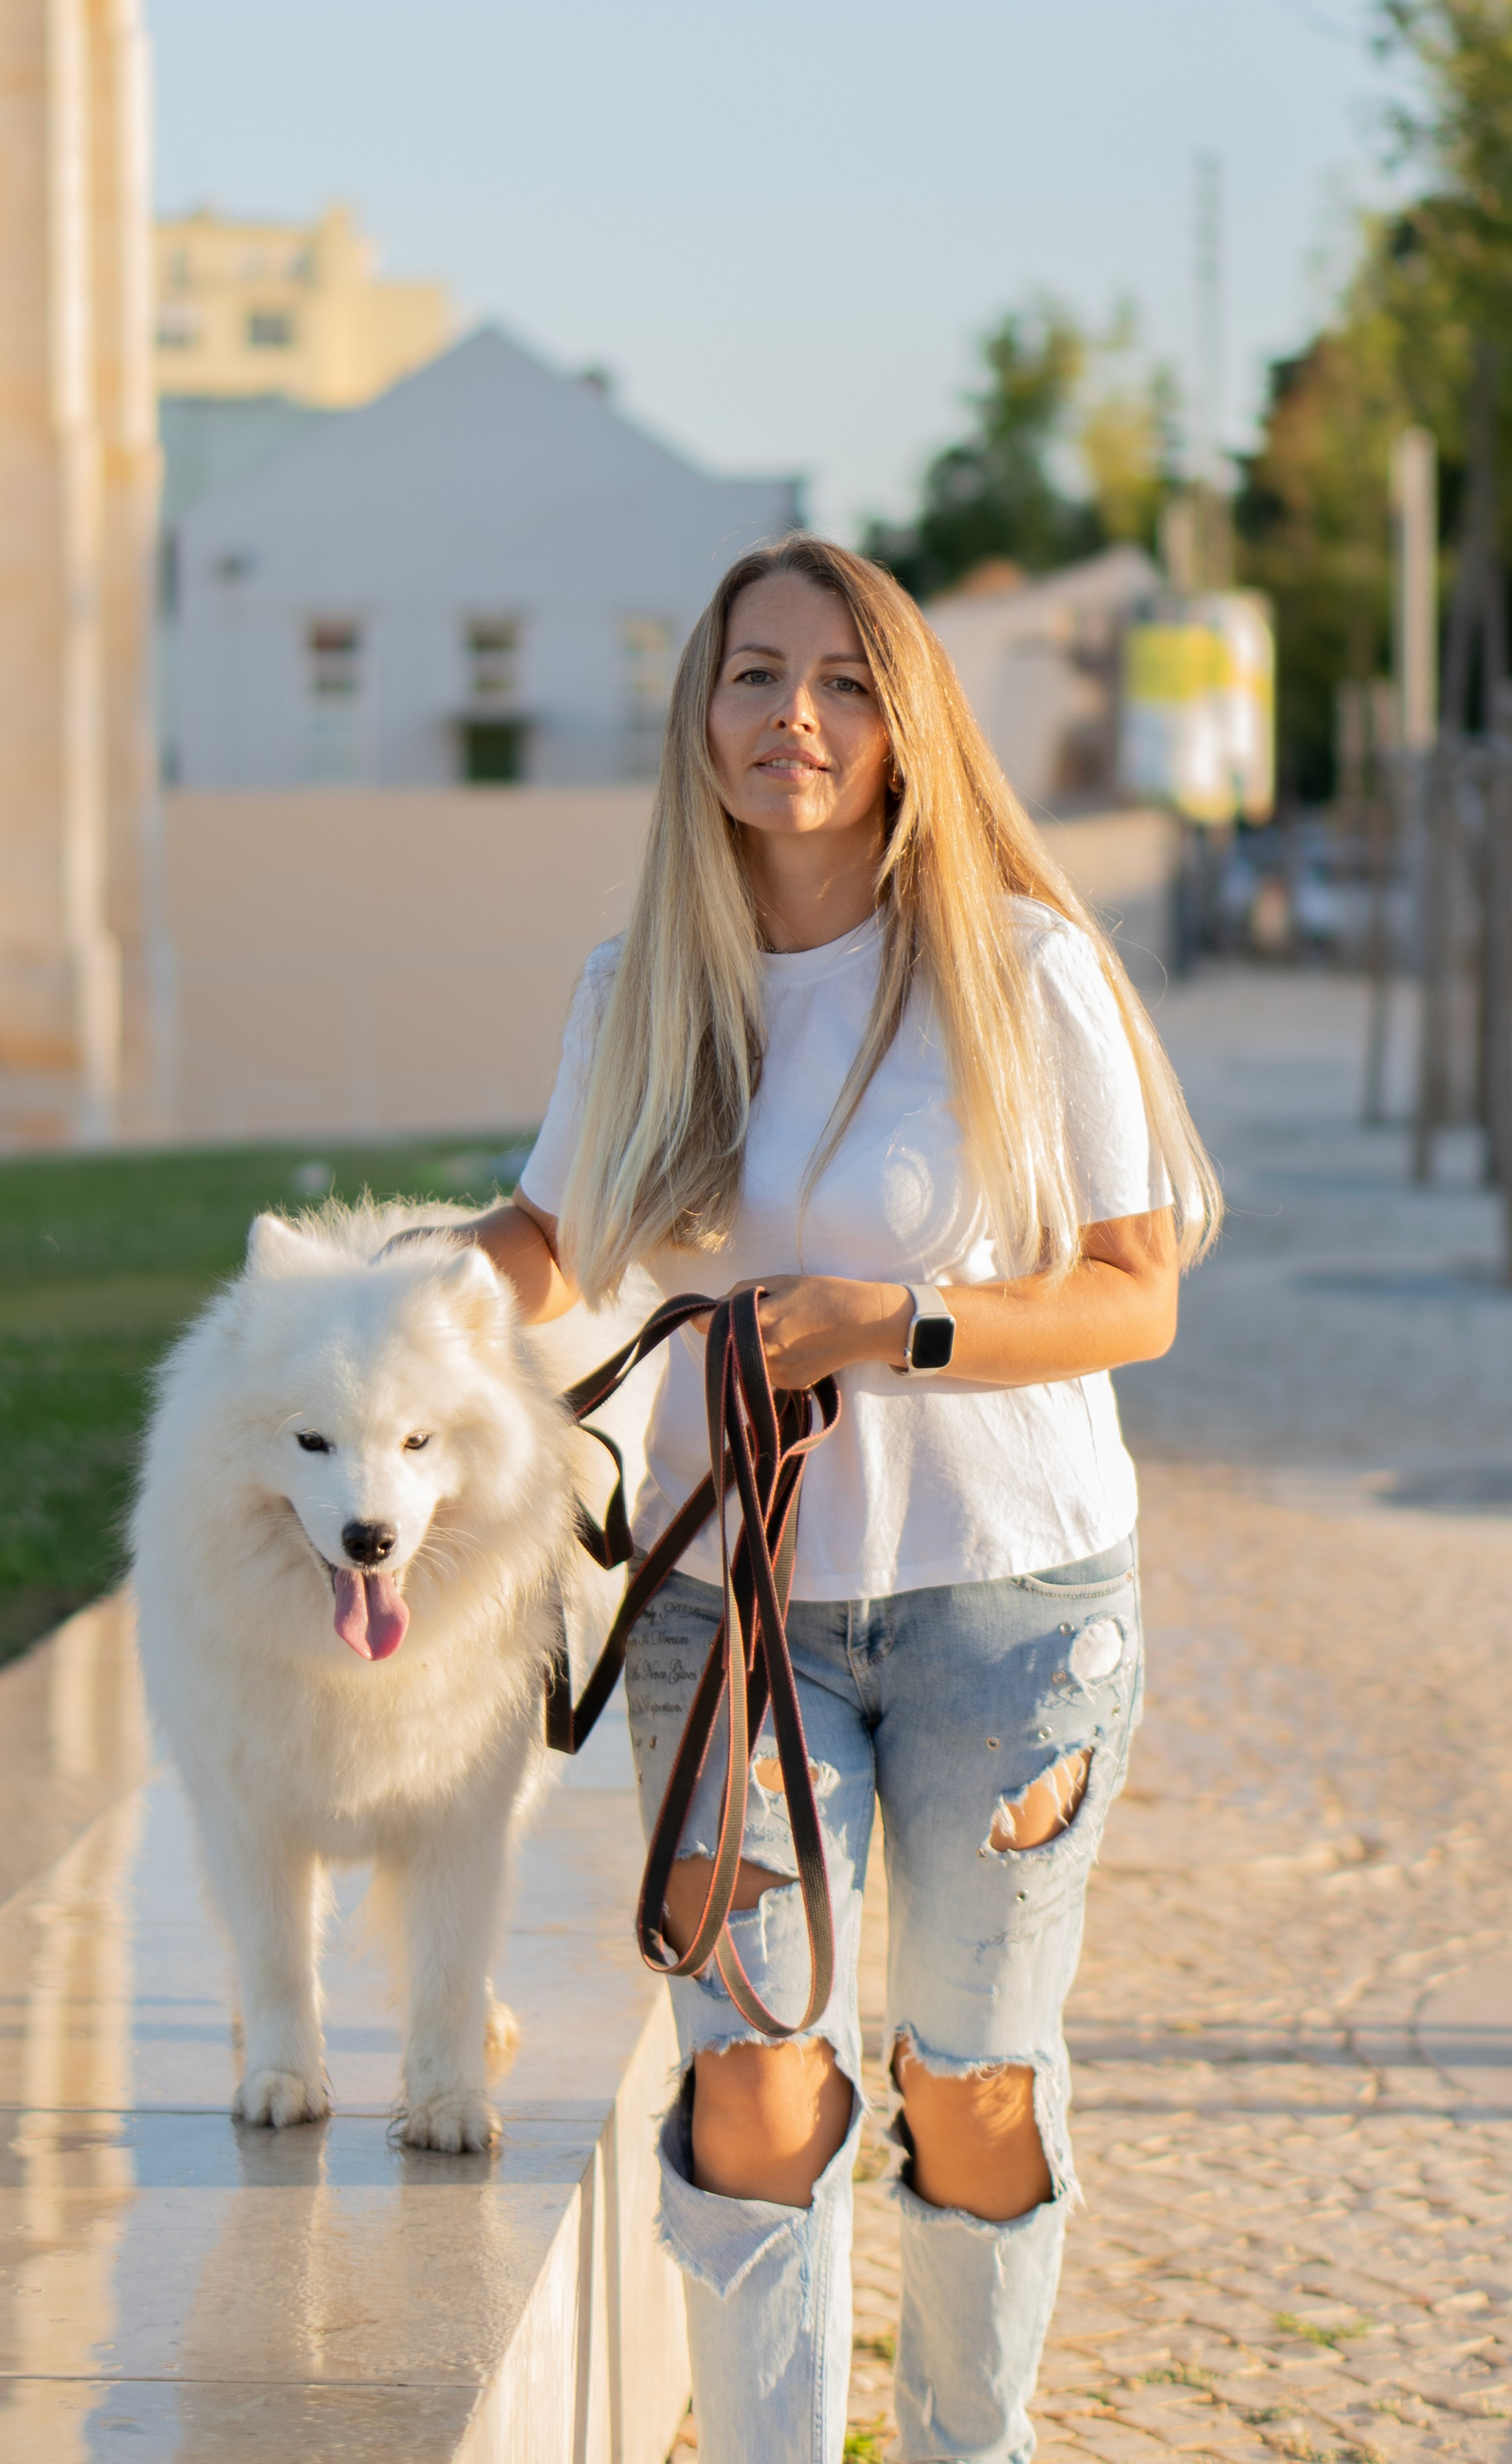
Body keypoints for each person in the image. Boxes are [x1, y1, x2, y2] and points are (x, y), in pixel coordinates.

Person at [447, 535, 1219, 2464]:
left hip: (1012, 1617)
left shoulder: (1021, 971)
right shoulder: (641, 986)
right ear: (699, 717)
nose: (795, 715)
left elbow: (1137, 1291)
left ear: (903, 724)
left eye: (844, 680)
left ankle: (970, 2447)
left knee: (970, 2084)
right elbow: (552, 1231)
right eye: (752, 674)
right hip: (734, 1614)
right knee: (756, 2086)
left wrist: (904, 1320)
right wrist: (387, 1308)